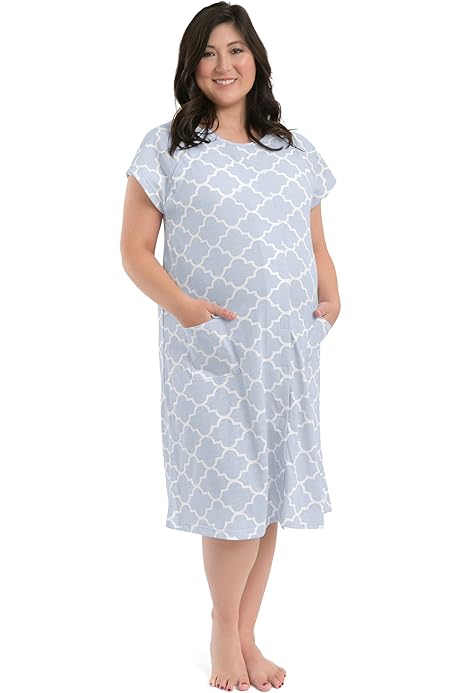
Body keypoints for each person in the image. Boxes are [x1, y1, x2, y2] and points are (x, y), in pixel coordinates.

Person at [120, 2, 340, 691]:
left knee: (269, 494)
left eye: (236, 49)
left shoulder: (294, 150)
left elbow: (315, 243)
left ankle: (247, 633)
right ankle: (223, 630)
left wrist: (331, 299)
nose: (224, 65)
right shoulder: (166, 148)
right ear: (191, 67)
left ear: (256, 60)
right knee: (231, 495)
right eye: (209, 52)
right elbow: (134, 251)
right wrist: (185, 308)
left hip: (286, 351)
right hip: (210, 354)